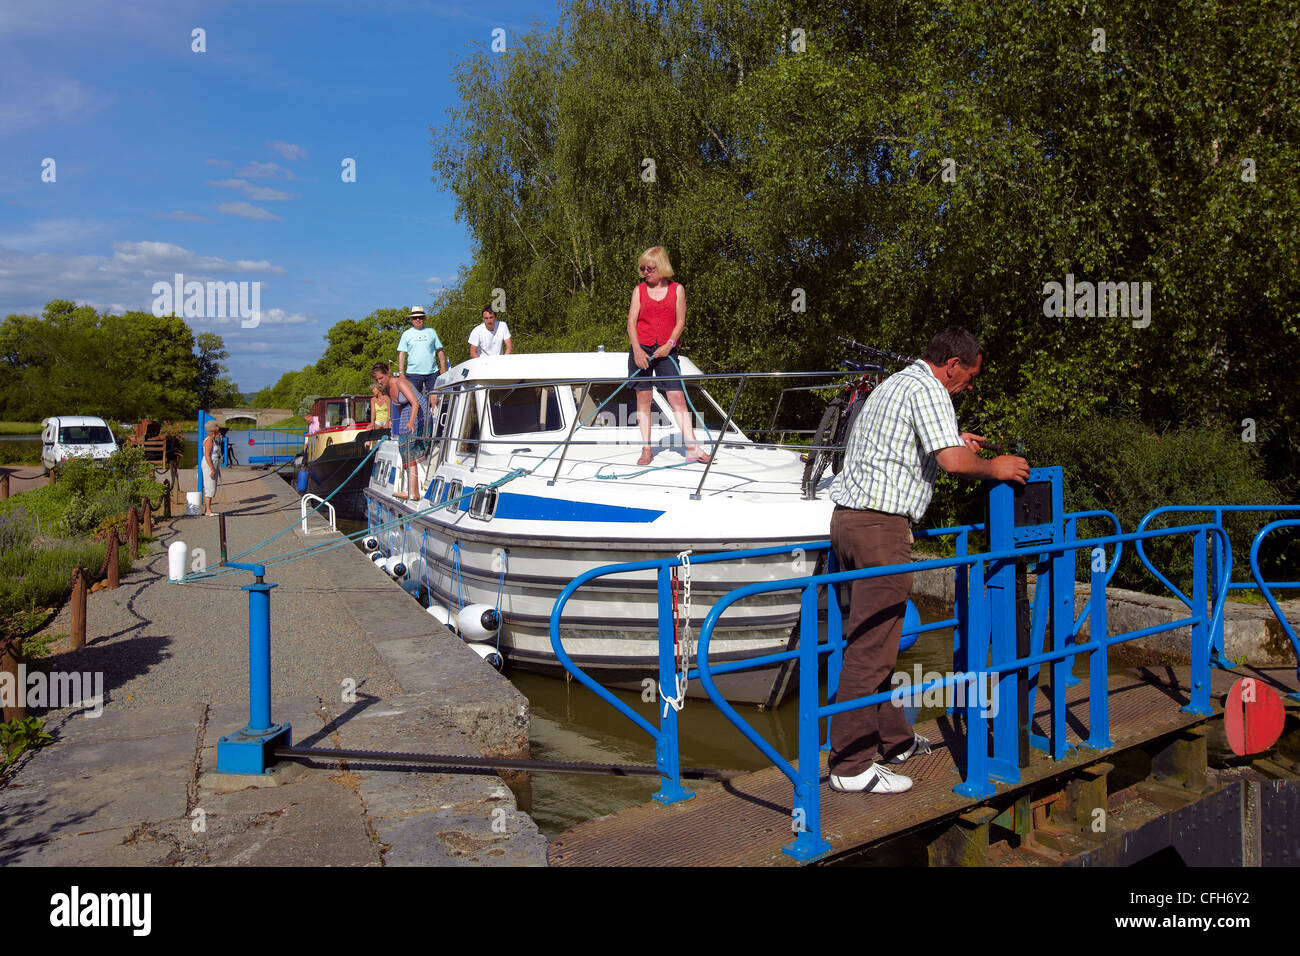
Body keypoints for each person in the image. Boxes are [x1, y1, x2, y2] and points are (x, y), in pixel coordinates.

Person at [826, 326, 1029, 795]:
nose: (969, 385)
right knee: (872, 647)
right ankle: (850, 767)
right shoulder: (932, 389)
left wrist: (955, 439)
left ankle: (893, 741)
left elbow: (910, 447)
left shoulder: (897, 384)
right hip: (880, 529)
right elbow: (954, 463)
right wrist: (995, 467)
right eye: (970, 376)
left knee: (874, 638)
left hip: (848, 524)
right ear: (952, 365)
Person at [625, 246, 712, 467]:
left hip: (667, 351)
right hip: (641, 350)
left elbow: (680, 321)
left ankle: (692, 448)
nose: (645, 272)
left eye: (650, 268)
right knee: (643, 400)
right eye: (643, 268)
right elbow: (631, 323)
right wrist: (636, 350)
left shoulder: (677, 289)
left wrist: (669, 344)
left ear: (661, 266)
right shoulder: (639, 290)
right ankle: (647, 449)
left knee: (677, 398)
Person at [371, 361, 426, 501]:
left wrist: (411, 422)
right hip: (408, 411)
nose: (379, 381)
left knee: (408, 448)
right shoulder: (388, 390)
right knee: (403, 448)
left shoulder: (400, 383)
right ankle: (411, 490)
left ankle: (412, 492)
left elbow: (415, 402)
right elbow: (400, 407)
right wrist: (402, 423)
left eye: (381, 378)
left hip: (420, 411)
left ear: (388, 373)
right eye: (376, 380)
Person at [201, 420, 222, 516]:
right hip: (209, 464)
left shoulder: (213, 439)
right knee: (209, 486)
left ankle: (208, 509)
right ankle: (208, 510)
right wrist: (212, 468)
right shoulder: (209, 440)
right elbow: (207, 455)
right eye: (217, 427)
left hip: (214, 463)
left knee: (212, 486)